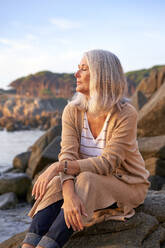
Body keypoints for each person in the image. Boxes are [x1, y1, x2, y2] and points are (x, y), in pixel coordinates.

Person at [21, 49, 150, 248]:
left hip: (127, 185)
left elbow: (108, 164)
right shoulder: (72, 110)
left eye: (83, 69)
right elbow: (68, 155)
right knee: (56, 184)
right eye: (78, 68)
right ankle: (28, 246)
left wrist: (57, 167)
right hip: (86, 183)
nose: (76, 74)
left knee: (86, 179)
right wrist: (69, 195)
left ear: (102, 75)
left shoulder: (125, 114)